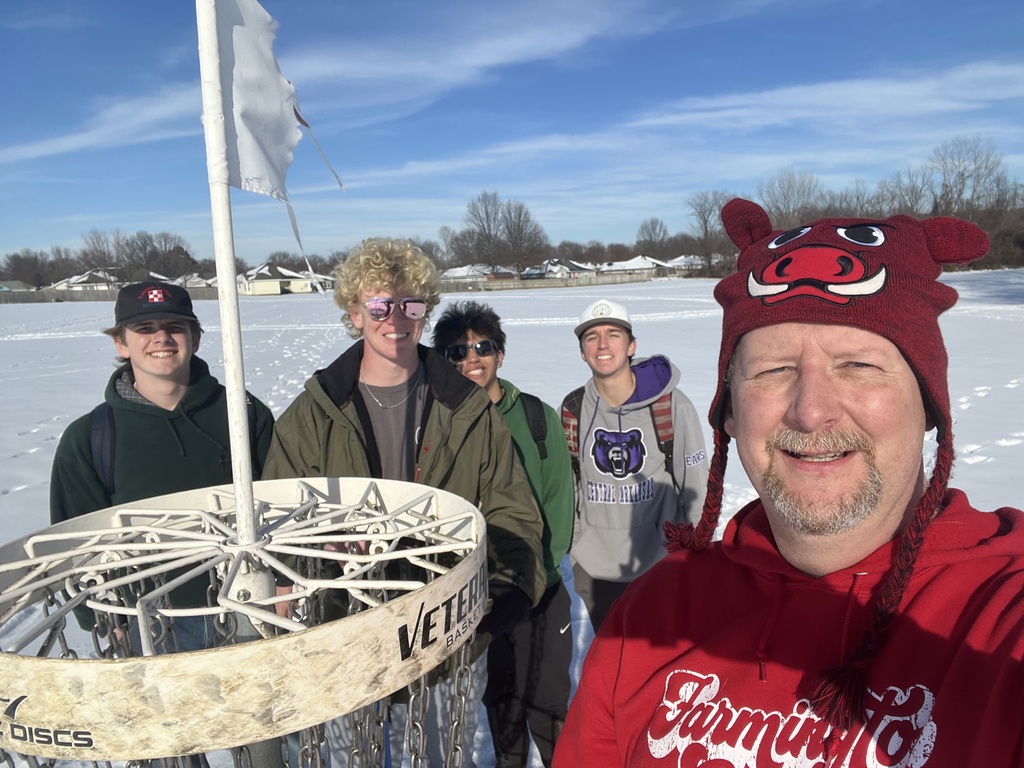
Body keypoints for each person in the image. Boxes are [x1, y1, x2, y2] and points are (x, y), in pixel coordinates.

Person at [554, 199, 1024, 766]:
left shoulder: (1000, 615)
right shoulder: (650, 619)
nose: (810, 411)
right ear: (729, 414)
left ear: (928, 404)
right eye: (773, 370)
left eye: (858, 364)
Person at [262, 239, 546, 766]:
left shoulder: (467, 409)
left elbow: (510, 508)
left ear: (425, 311)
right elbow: (276, 521)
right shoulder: (313, 412)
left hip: (442, 637)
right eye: (379, 306)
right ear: (354, 313)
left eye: (411, 305)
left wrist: (508, 590)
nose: (396, 319)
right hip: (343, 634)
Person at [49, 280, 275, 652]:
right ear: (121, 343)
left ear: (195, 338)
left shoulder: (243, 414)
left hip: (245, 607)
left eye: (174, 327)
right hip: (147, 621)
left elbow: (280, 503)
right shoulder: (90, 438)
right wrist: (102, 620)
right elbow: (75, 543)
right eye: (145, 329)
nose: (162, 339)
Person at [433, 300, 573, 768]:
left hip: (538, 588)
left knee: (549, 702)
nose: (471, 359)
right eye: (457, 352)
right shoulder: (436, 425)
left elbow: (557, 500)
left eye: (482, 347)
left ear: (500, 353)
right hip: (473, 598)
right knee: (500, 701)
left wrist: (537, 575)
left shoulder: (535, 417)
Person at [561, 299, 708, 632]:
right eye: (591, 337)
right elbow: (570, 487)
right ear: (583, 352)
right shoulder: (572, 409)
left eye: (613, 334)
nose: (602, 345)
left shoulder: (671, 406)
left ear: (631, 346)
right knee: (613, 662)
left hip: (659, 563)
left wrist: (695, 557)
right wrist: (575, 548)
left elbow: (695, 485)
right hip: (595, 568)